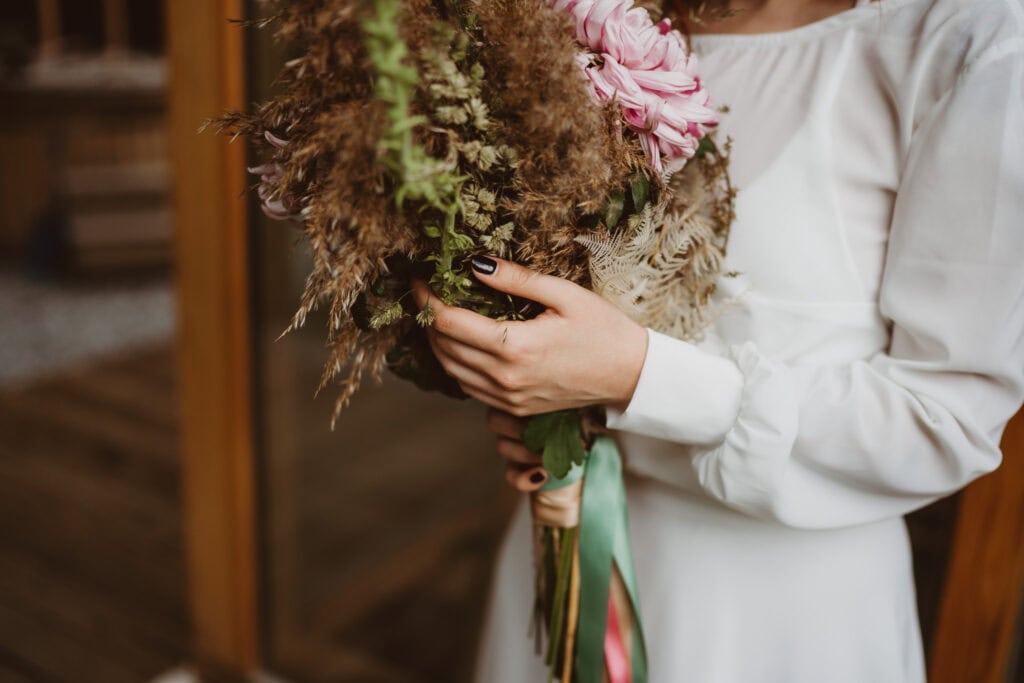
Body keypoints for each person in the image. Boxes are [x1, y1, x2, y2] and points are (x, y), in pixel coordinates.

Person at [411, 0, 1024, 679]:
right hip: (567, 551)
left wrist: (636, 379)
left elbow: (945, 418)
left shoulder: (966, 39)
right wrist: (532, 382)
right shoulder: (591, 16)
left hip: (783, 619)